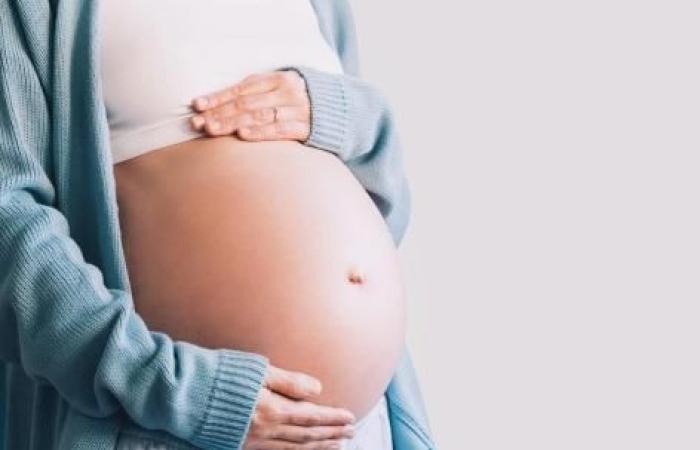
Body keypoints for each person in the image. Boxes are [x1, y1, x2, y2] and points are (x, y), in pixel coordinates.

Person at [0, 1, 437, 449]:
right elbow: (10, 216)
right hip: (172, 423)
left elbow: (385, 197)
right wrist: (172, 389)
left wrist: (343, 112)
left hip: (358, 430)